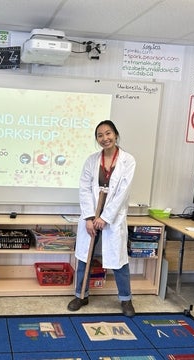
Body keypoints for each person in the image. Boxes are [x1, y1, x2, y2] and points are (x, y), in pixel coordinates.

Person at [67, 120, 136, 317]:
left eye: (108, 133)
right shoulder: (91, 160)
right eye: (100, 135)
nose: (104, 138)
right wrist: (90, 217)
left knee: (119, 261)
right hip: (92, 216)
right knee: (84, 257)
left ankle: (126, 299)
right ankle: (82, 295)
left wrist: (105, 217)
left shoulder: (128, 160)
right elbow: (84, 188)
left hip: (113, 218)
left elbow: (123, 192)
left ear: (115, 134)